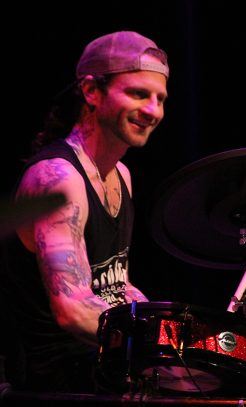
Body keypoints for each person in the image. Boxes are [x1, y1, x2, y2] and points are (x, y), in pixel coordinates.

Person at [0, 31, 169, 393]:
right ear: (91, 91)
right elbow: (73, 309)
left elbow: (112, 286)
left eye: (160, 99)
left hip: (102, 369)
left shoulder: (121, 175)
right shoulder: (57, 179)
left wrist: (184, 327)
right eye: (139, 94)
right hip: (57, 386)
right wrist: (159, 345)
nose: (153, 110)